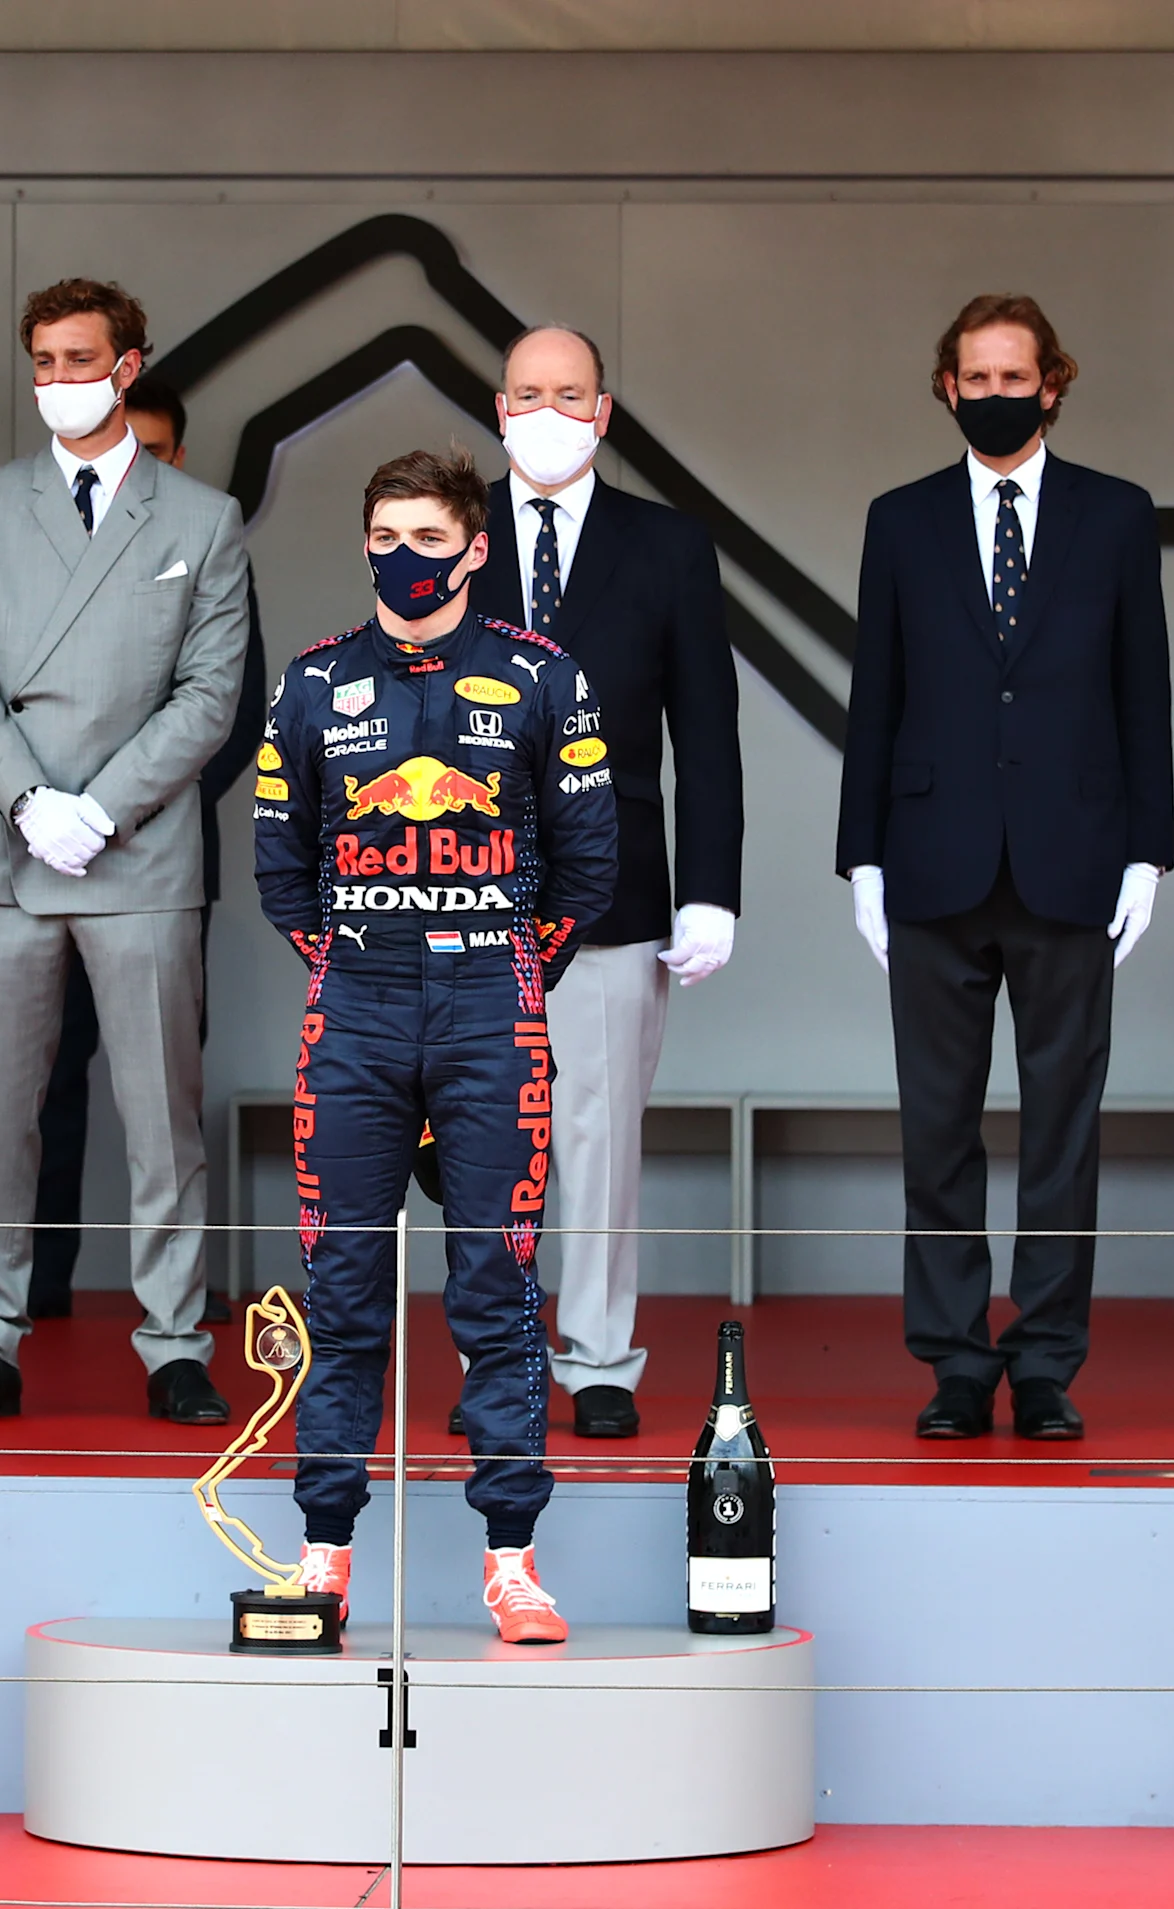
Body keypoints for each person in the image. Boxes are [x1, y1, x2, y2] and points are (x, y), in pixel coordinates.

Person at [251, 448, 617, 1643]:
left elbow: (587, 864)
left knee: (495, 1286)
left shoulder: (542, 675)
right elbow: (279, 871)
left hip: (487, 1014)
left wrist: (503, 966)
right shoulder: (310, 683)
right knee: (340, 1291)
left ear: (474, 550)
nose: (400, 556)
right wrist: (364, 966)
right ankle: (321, 1554)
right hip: (350, 1012)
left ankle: (510, 1558)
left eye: (426, 536)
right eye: (383, 534)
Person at [833, 294, 1173, 1443]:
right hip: (930, 858)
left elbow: (1144, 692)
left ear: (1053, 381)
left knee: (1061, 1128)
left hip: (1074, 857)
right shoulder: (900, 517)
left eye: (1012, 377)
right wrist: (860, 858)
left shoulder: (1116, 515)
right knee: (934, 1127)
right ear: (946, 387)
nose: (993, 395)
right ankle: (952, 1361)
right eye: (973, 378)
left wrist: (1147, 849)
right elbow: (872, 695)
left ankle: (1042, 1361)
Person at [0, 278, 252, 1426]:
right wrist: (27, 800)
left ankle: (172, 1337)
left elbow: (211, 696)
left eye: (79, 360)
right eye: (42, 363)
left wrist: (99, 808)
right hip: (6, 848)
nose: (58, 382)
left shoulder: (201, 519)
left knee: (160, 1113)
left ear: (128, 364)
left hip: (141, 848)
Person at [459, 325, 744, 1440]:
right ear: (497, 406)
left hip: (614, 885)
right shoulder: (449, 529)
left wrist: (710, 887)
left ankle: (598, 1358)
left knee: (596, 1131)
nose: (545, 410)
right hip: (453, 884)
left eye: (566, 393)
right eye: (527, 392)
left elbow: (706, 735)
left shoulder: (666, 545)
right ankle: (496, 1355)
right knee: (478, 1140)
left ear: (601, 412)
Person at [25, 374, 269, 1320]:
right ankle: (34, 1293)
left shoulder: (209, 545)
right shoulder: (28, 541)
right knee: (41, 1084)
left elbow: (233, 713)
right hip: (34, 860)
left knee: (161, 1100)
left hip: (161, 860)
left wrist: (127, 812)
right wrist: (41, 816)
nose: (146, 464)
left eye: (163, 451)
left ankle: (171, 1316)